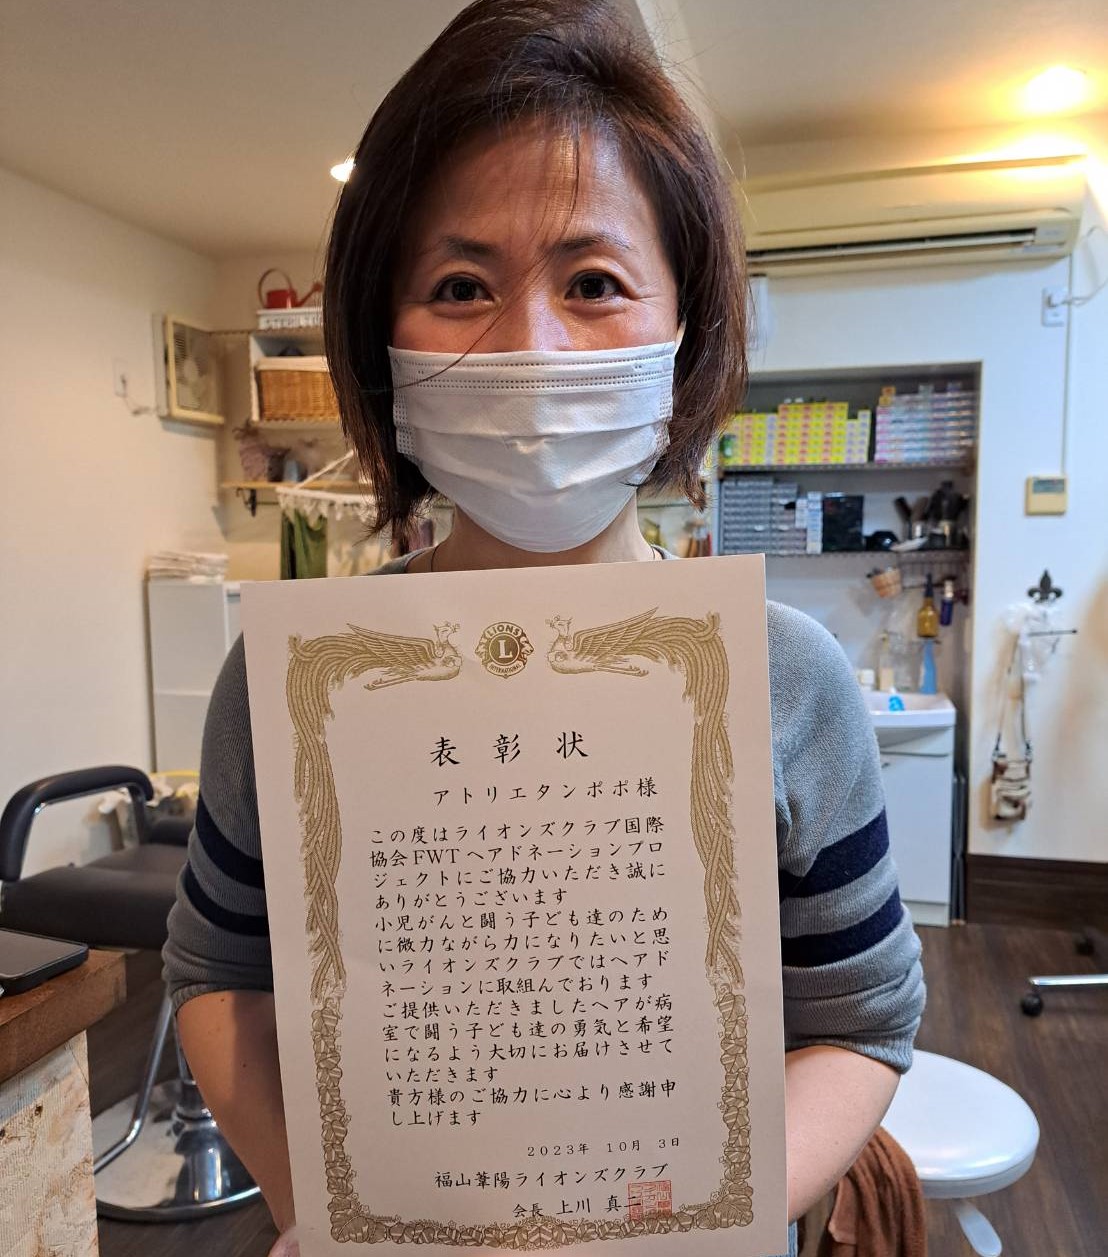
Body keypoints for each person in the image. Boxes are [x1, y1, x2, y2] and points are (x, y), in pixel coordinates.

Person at [163, 3, 924, 1255]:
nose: (529, 345)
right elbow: (220, 976)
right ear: (384, 345)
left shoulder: (784, 675)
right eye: (460, 286)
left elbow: (864, 1015)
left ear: (683, 337)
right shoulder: (293, 684)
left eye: (593, 284)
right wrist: (331, 1211)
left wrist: (701, 1223)